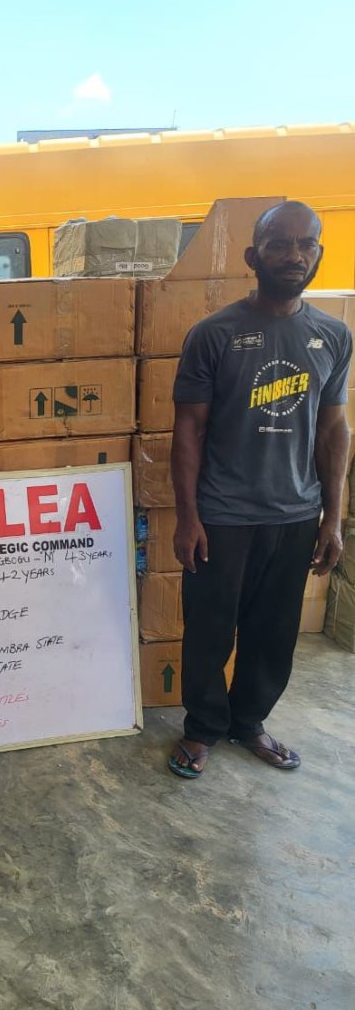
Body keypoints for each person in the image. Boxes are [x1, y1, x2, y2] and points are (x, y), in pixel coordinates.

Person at [168, 201, 352, 778]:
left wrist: (332, 518)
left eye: (306, 244)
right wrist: (188, 516)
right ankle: (202, 728)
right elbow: (188, 430)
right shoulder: (214, 334)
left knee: (273, 635)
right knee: (209, 631)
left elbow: (333, 429)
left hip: (295, 515)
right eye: (279, 244)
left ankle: (249, 723)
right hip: (223, 516)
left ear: (319, 253)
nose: (294, 255)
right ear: (254, 256)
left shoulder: (333, 335)